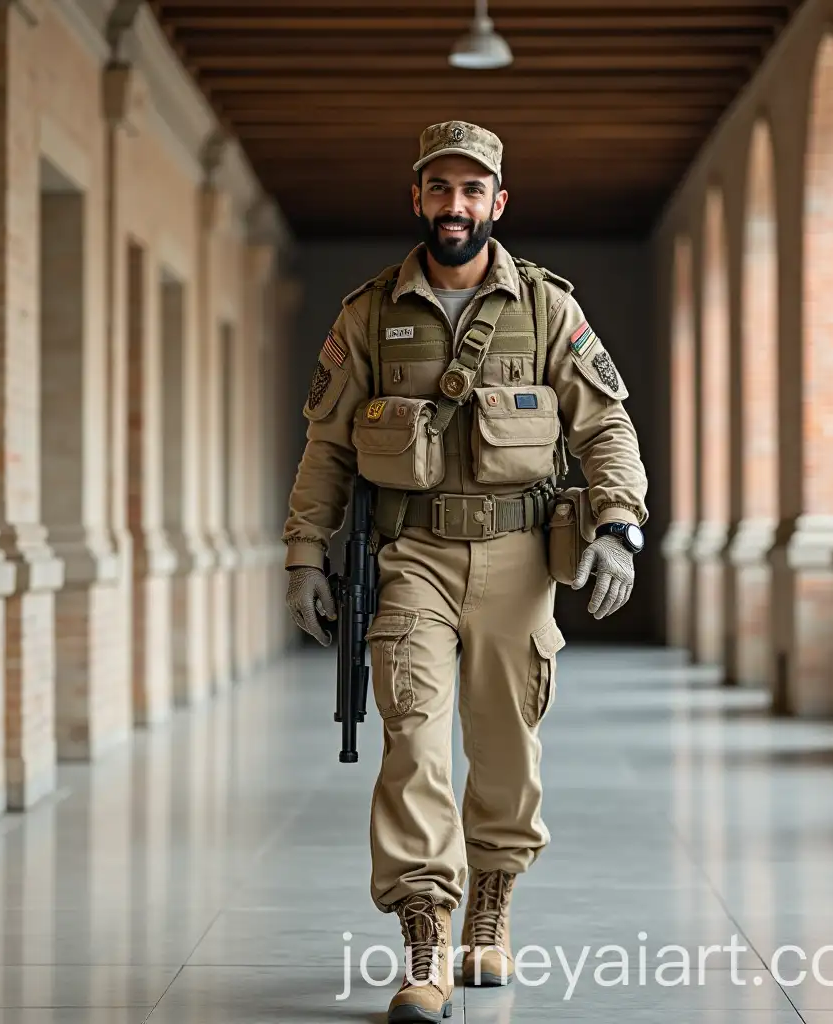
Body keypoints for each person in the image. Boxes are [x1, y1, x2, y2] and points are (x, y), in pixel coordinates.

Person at [282, 121, 648, 1023]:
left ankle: (492, 906)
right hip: (409, 557)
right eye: (440, 189)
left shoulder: (549, 308)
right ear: (417, 197)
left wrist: (616, 528)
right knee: (411, 740)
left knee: (507, 745)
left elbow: (605, 427)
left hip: (521, 560)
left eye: (472, 191)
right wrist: (303, 555)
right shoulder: (368, 312)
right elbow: (327, 446)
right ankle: (423, 937)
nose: (456, 206)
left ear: (498, 203)